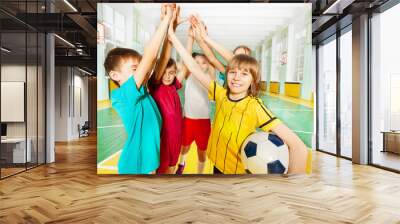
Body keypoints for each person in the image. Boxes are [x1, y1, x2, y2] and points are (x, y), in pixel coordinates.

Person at [168, 23, 308, 174]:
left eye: (244, 74)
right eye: (232, 72)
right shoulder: (220, 94)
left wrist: (293, 186)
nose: (236, 78)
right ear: (226, 73)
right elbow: (193, 67)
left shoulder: (255, 107)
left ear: (253, 80)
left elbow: (298, 147)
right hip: (216, 167)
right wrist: (172, 36)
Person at [103, 4, 175, 174]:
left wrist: (171, 26)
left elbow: (160, 58)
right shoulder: (123, 96)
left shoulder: (143, 91)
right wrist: (165, 20)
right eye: (136, 68)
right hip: (134, 164)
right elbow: (150, 56)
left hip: (148, 162)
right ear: (115, 75)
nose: (143, 70)